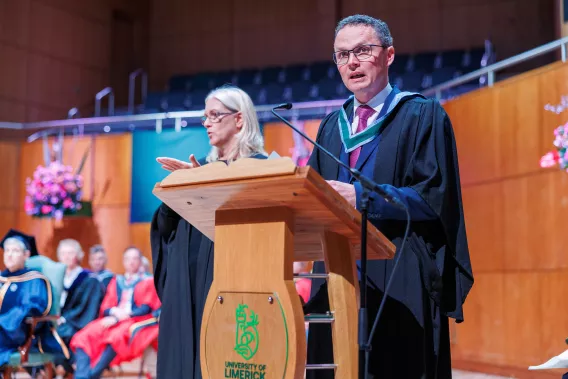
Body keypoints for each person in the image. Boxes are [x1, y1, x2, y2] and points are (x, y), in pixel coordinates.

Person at [304, 15, 474, 378]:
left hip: (398, 271)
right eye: (342, 55)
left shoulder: (421, 115)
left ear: (389, 55)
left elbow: (433, 197)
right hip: (337, 274)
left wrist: (362, 197)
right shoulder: (332, 127)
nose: (352, 62)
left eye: (363, 51)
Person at [151, 85, 267, 379]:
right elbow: (167, 230)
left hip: (231, 285)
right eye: (205, 116)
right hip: (185, 284)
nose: (206, 123)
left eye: (215, 115)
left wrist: (202, 183)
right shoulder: (199, 168)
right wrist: (178, 188)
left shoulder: (263, 170)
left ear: (239, 120)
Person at [70, 247, 160, 379]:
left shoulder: (148, 281)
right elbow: (106, 306)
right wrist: (114, 312)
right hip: (114, 319)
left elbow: (146, 307)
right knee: (83, 336)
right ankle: (81, 376)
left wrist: (123, 316)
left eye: (135, 258)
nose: (131, 262)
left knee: (116, 337)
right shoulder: (117, 281)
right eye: (128, 259)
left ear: (140, 261)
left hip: (136, 320)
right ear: (123, 261)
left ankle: (93, 374)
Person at [0, 229, 68, 369]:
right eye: (7, 251)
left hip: (18, 332)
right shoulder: (2, 278)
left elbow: (32, 309)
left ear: (26, 255)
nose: (9, 255)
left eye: (15, 251)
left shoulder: (33, 279)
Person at [55, 239, 105, 374]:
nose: (66, 257)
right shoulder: (54, 278)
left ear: (78, 256)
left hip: (76, 322)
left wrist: (64, 319)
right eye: (63, 253)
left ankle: (76, 369)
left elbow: (86, 308)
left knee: (61, 334)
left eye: (70, 253)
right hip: (57, 320)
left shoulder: (89, 279)